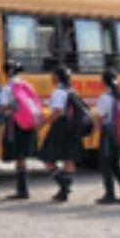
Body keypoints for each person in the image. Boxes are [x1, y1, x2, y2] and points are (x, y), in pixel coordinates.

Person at [38, 66, 81, 203]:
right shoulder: (72, 91)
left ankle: (63, 186)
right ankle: (64, 190)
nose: (51, 78)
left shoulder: (58, 92)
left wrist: (44, 122)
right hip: (71, 128)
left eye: (53, 75)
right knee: (68, 159)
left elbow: (57, 112)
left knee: (47, 158)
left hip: (59, 127)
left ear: (56, 77)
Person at [0, 59, 38, 200]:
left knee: (19, 156)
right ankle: (22, 189)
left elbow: (3, 107)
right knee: (23, 155)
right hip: (28, 123)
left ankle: (22, 190)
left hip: (14, 123)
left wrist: (8, 109)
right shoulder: (26, 85)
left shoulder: (7, 88)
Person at [94, 68, 120, 204]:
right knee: (116, 164)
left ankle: (110, 194)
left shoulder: (105, 97)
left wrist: (95, 132)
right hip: (119, 133)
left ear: (104, 82)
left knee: (106, 164)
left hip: (108, 133)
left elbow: (99, 117)